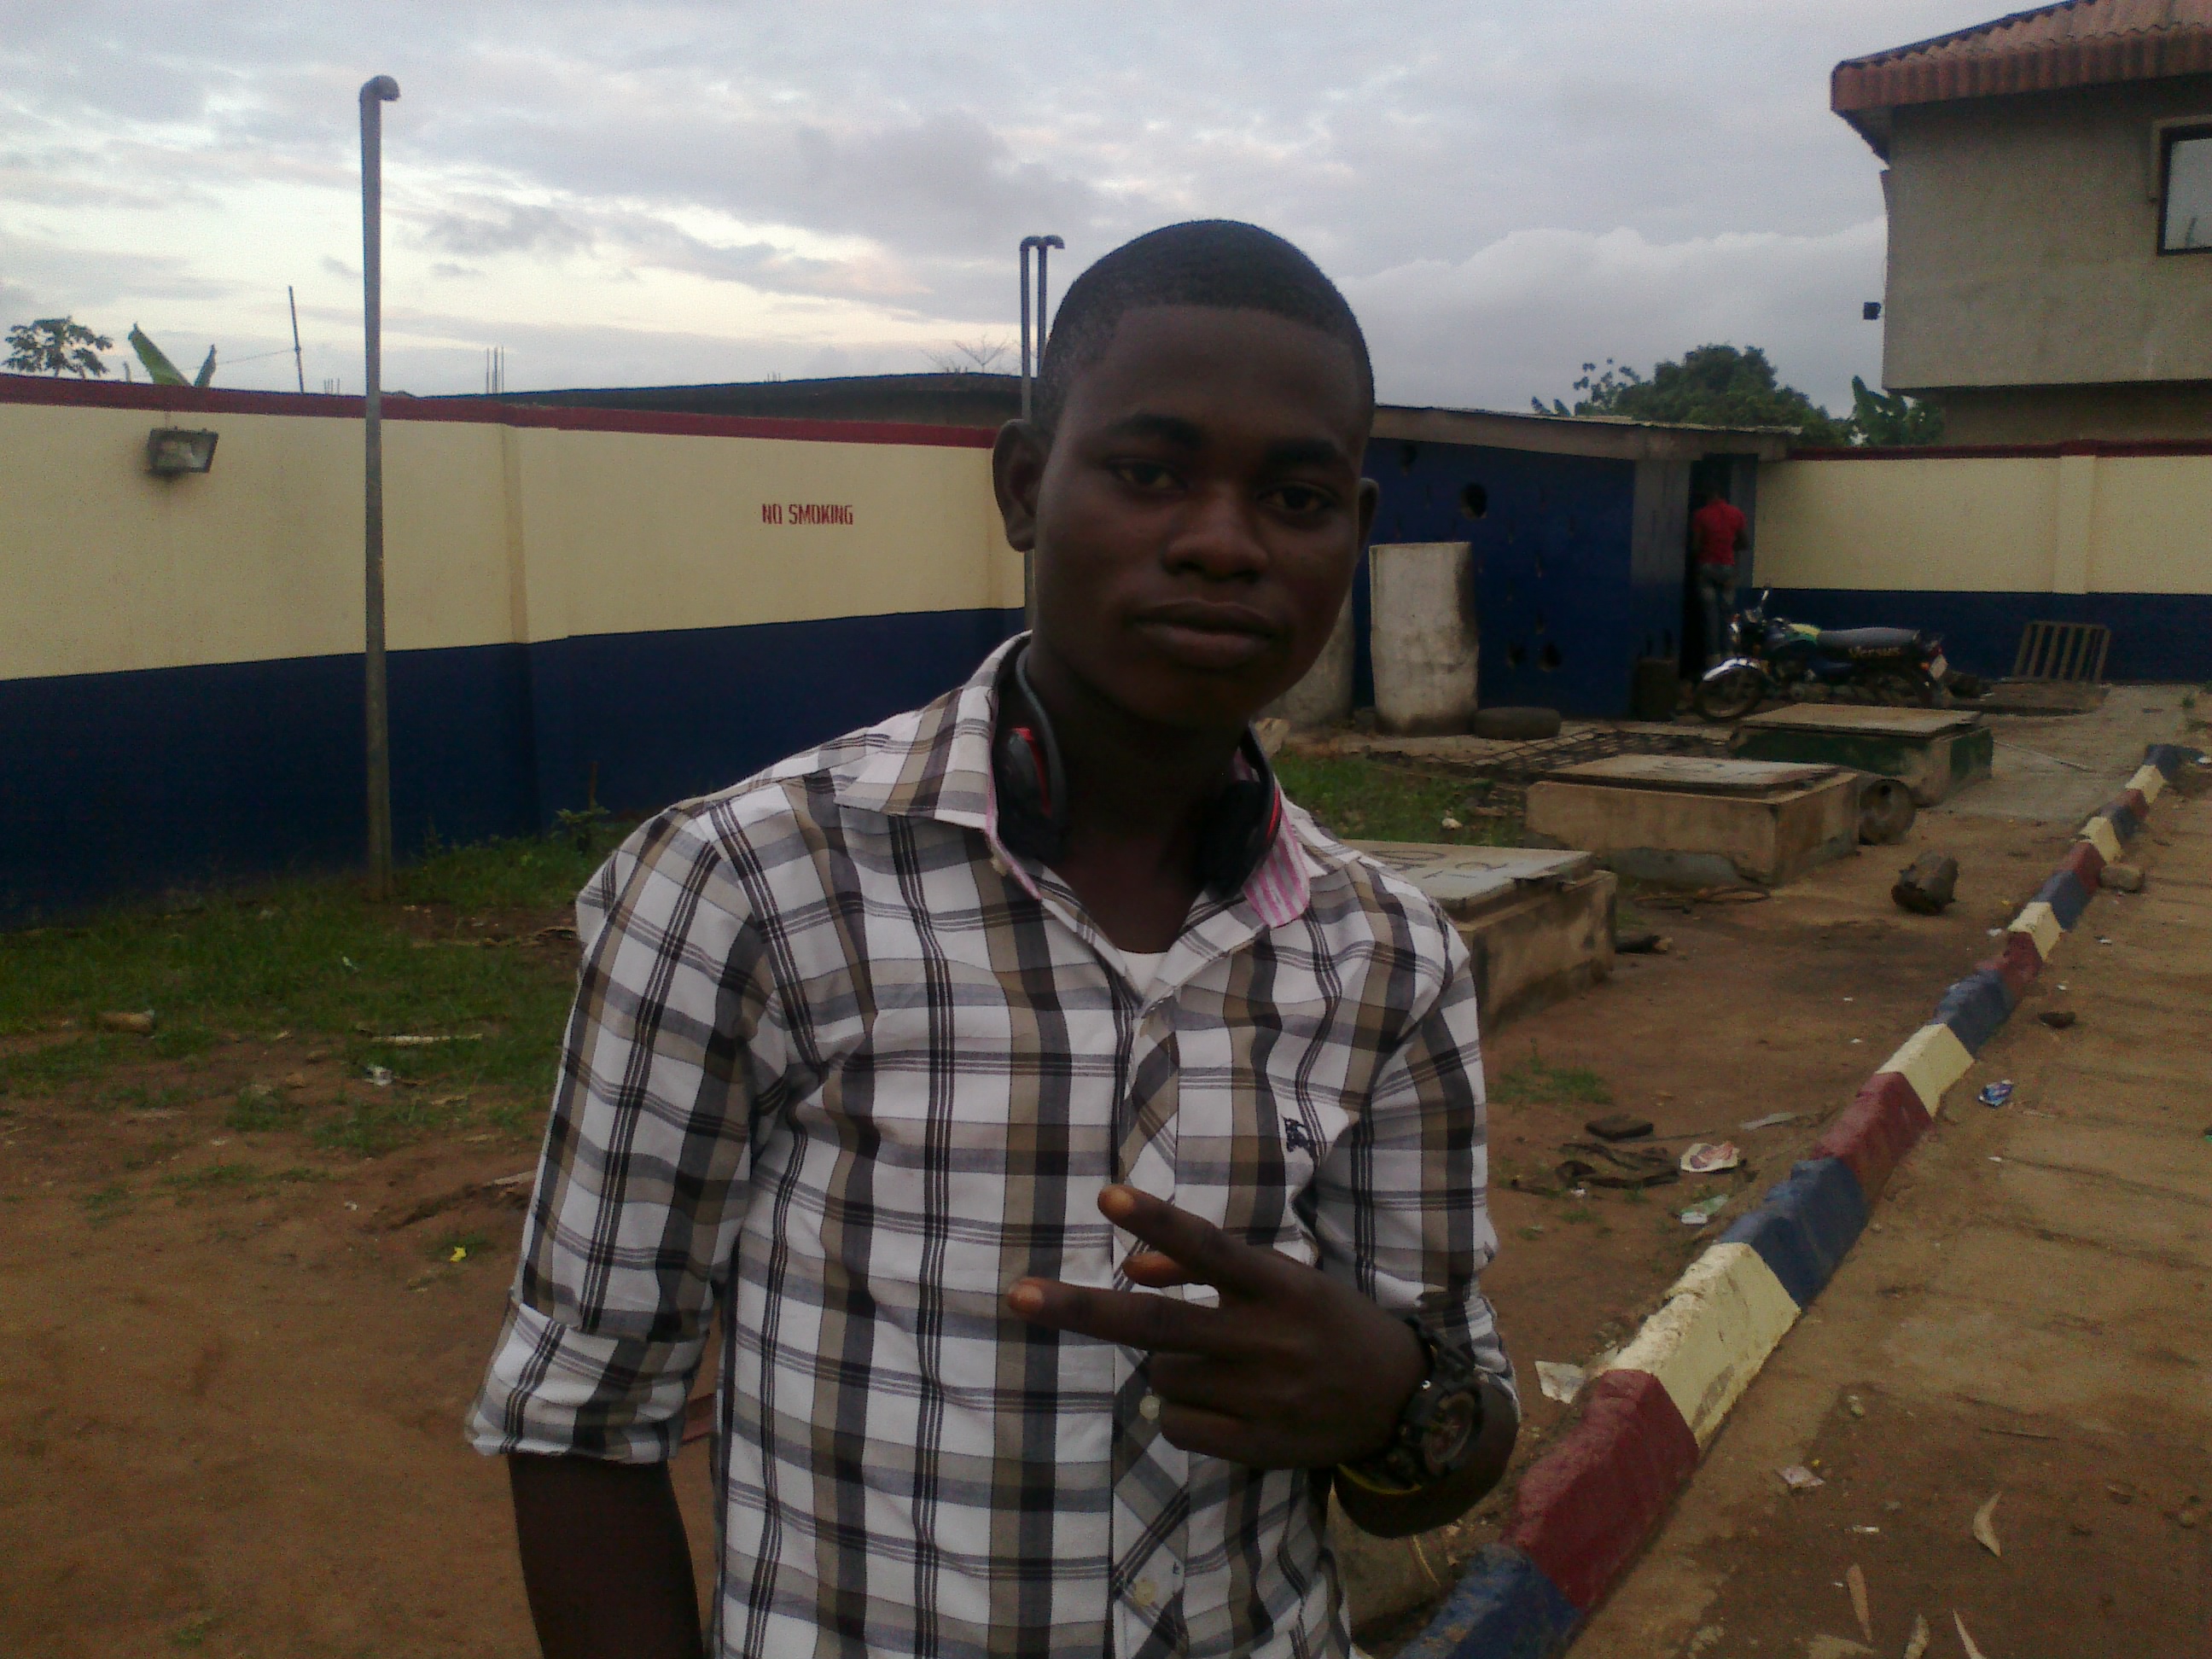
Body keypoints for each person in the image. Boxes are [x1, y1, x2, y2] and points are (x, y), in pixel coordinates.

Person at [467, 219, 1518, 1659]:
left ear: (1353, 525)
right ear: (1025, 487)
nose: (1223, 542)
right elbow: (581, 1415)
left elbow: (1448, 1445)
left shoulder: (1393, 957)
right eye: (1149, 473)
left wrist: (1398, 1399)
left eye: (1296, 495)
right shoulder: (749, 884)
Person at [1690, 486, 1749, 667]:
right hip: (1727, 570)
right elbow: (1744, 543)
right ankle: (1728, 655)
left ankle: (1713, 658)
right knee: (1727, 614)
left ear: (1708, 497)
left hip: (1707, 568)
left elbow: (1696, 546)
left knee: (1711, 615)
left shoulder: (1701, 514)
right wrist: (1729, 547)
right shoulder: (1736, 514)